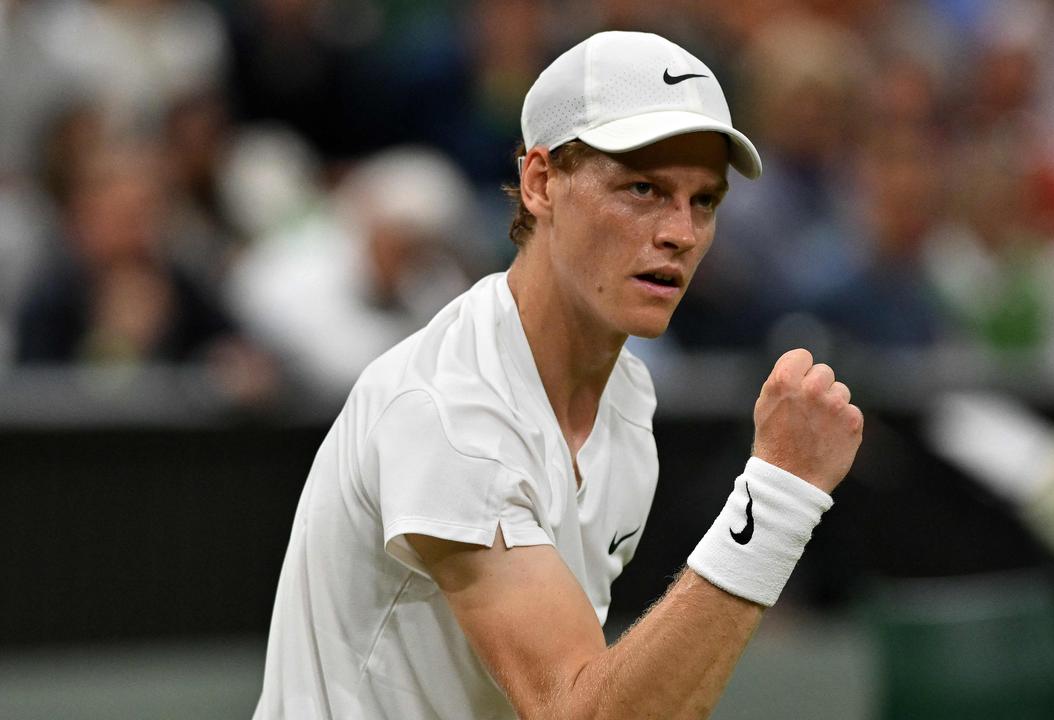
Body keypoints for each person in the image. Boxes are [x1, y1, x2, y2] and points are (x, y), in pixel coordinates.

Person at [254, 31, 864, 719]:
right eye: (643, 188)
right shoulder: (450, 410)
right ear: (541, 182)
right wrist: (777, 501)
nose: (681, 233)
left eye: (704, 202)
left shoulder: (627, 399)